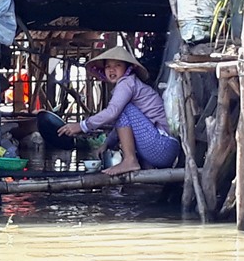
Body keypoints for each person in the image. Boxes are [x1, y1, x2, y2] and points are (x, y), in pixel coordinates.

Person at [57, 46, 179, 176]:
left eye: (118, 65)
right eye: (108, 66)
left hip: (162, 146)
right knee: (123, 110)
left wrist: (82, 126)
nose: (111, 69)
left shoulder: (127, 82)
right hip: (163, 149)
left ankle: (130, 160)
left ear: (128, 68)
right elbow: (124, 124)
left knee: (123, 109)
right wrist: (107, 144)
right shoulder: (129, 84)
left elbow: (113, 112)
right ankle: (137, 165)